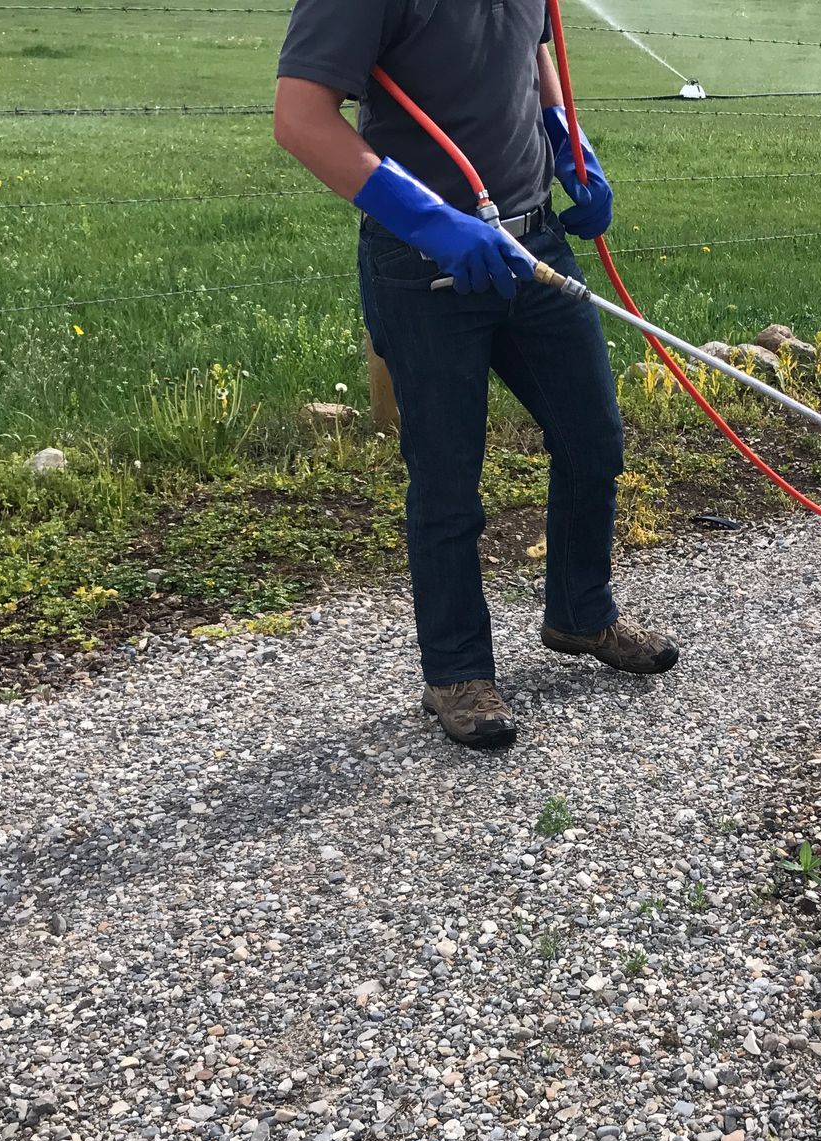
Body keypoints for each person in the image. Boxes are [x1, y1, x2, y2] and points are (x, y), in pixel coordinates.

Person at [273, 0, 679, 752]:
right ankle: (456, 673)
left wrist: (568, 141)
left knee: (593, 437)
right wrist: (429, 220)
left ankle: (580, 615)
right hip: (421, 265)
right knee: (448, 477)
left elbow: (533, 50)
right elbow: (300, 118)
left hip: (535, 248)